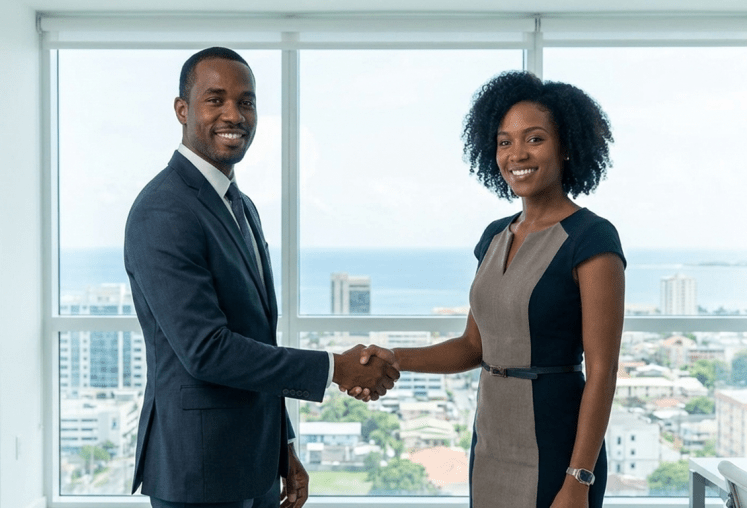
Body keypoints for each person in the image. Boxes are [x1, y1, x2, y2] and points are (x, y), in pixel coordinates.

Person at [124, 47, 399, 508]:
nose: (234, 114)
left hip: (255, 464)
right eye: (215, 100)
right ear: (182, 109)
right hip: (199, 471)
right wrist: (334, 368)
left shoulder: (240, 205)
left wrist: (282, 445)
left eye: (246, 102)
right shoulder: (164, 208)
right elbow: (206, 350)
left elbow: (257, 338)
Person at [353, 70, 625, 508]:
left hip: (557, 442)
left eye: (534, 139)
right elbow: (472, 347)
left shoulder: (592, 238)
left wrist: (579, 478)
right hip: (492, 437)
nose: (517, 153)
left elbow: (603, 371)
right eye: (504, 141)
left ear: (568, 146)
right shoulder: (495, 236)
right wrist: (396, 359)